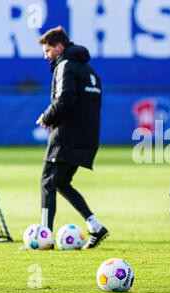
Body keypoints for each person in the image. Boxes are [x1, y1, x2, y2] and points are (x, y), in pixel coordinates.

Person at [36, 26, 108, 249]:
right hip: (87, 137)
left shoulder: (64, 66)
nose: (46, 56)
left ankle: (44, 237)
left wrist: (46, 117)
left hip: (66, 137)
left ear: (59, 47)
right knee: (61, 182)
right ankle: (95, 226)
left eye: (48, 50)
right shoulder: (90, 71)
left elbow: (65, 100)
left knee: (47, 182)